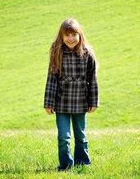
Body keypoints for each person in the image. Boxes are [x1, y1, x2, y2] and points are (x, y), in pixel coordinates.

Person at [44, 18, 99, 171]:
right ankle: (66, 165)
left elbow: (92, 79)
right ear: (61, 36)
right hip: (61, 102)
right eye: (67, 35)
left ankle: (83, 163)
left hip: (81, 101)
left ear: (80, 35)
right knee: (63, 137)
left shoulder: (88, 54)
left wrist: (93, 102)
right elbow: (51, 78)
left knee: (80, 135)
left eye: (74, 34)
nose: (70, 38)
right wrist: (48, 103)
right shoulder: (57, 53)